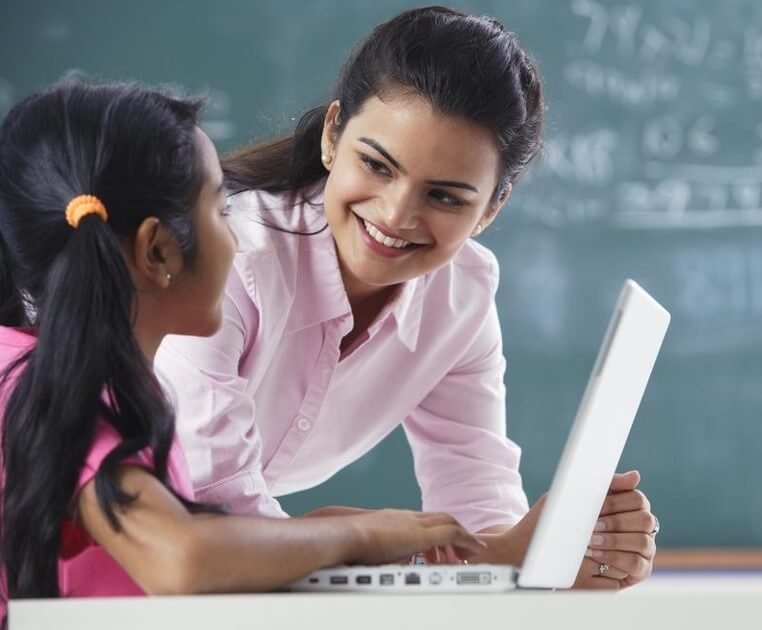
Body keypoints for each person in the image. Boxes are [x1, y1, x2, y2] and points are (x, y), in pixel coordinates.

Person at [156, 6, 658, 589]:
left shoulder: (461, 297)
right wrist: (441, 551)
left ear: (491, 208)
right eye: (376, 165)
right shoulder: (231, 261)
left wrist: (560, 551)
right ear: (332, 133)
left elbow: (478, 497)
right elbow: (219, 522)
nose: (396, 215)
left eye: (445, 197)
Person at [0, 78, 484, 618]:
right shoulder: (53, 390)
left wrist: (323, 534)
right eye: (221, 211)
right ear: (158, 252)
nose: (239, 237)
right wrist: (363, 535)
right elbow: (184, 559)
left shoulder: (75, 381)